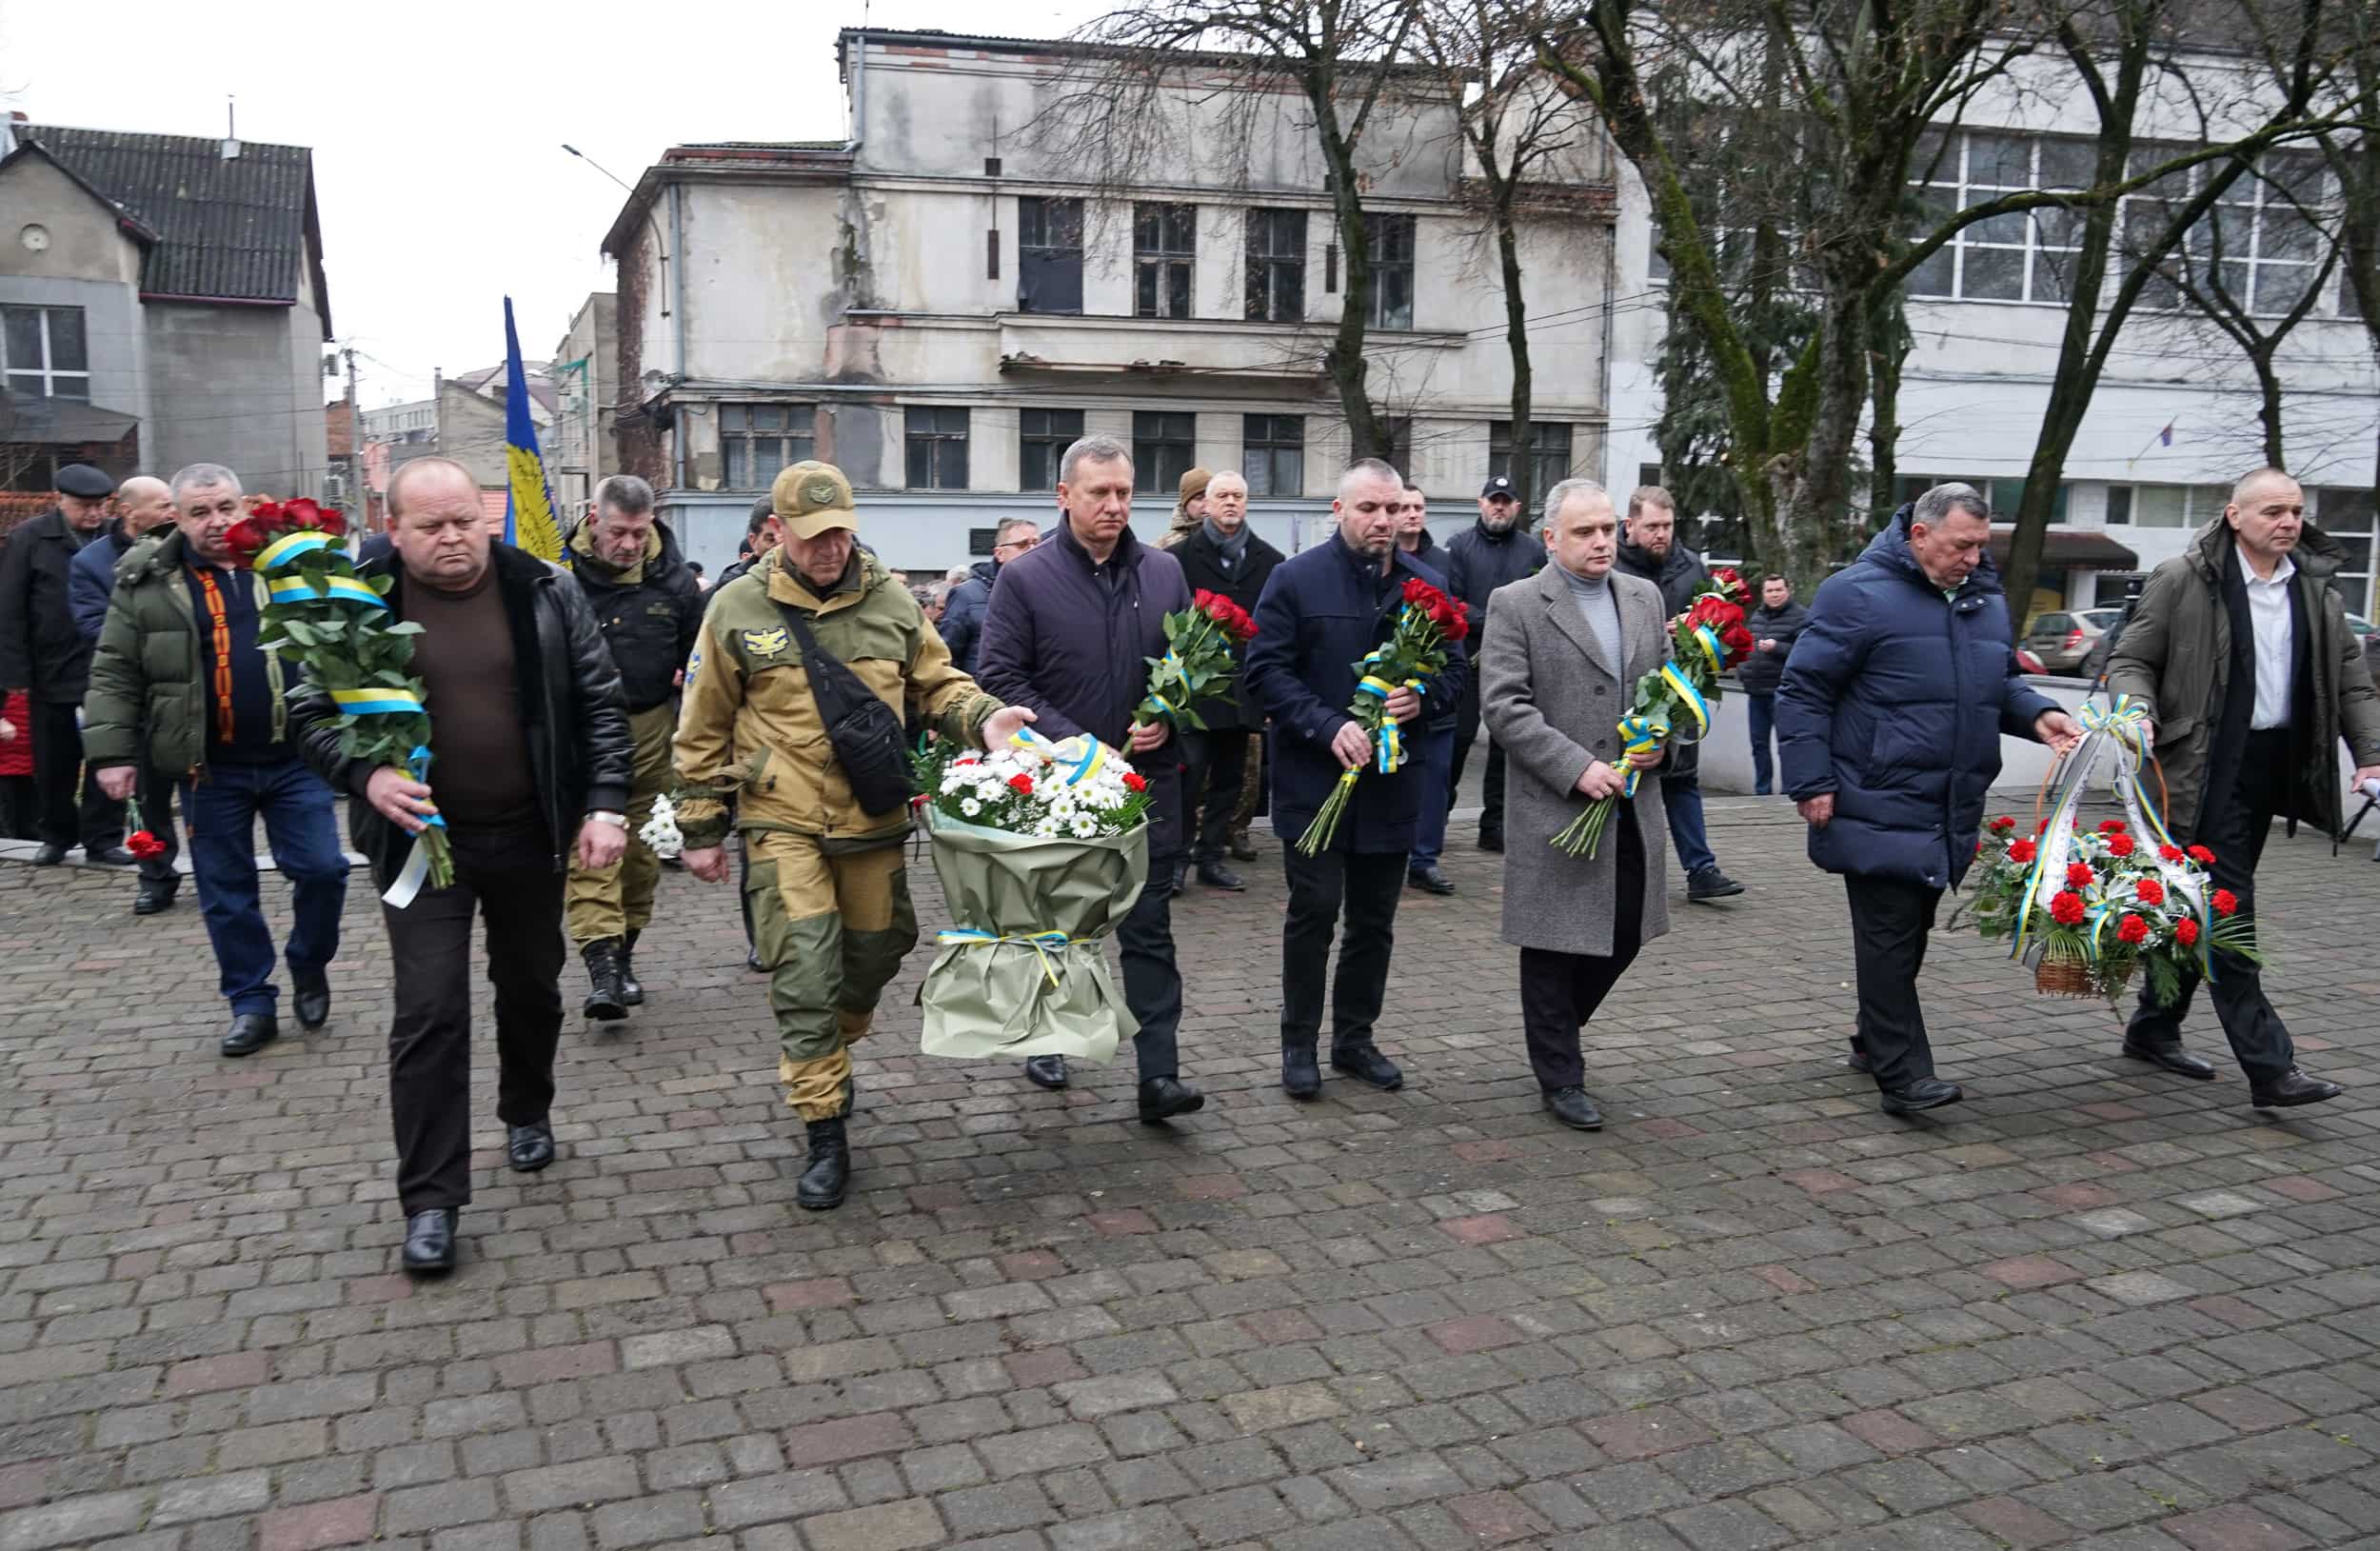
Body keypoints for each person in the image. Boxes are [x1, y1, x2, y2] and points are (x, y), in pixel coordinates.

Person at [289, 456, 632, 1274]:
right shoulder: (351, 601)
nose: (453, 539)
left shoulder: (543, 589)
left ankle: (527, 1106)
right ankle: (432, 1200)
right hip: (422, 844)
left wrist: (606, 804)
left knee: (530, 986)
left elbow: (600, 701)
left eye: (464, 521)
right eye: (431, 526)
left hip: (529, 833)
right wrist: (363, 772)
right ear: (394, 528)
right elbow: (305, 709)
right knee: (430, 1010)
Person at [675, 462, 1035, 1210]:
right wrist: (703, 824)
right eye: (812, 536)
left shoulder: (893, 601)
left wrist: (983, 717)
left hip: (871, 815)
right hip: (784, 819)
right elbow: (703, 724)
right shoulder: (735, 607)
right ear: (777, 532)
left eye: (840, 531)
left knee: (876, 951)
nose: (829, 547)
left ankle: (829, 1047)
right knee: (805, 970)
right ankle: (824, 1124)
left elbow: (938, 684)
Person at [1777, 484, 2079, 1114]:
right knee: (1887, 936)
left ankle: (1871, 1037)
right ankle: (1903, 1075)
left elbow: (1996, 681)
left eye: (1980, 545)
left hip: (1949, 802)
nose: (1972, 557)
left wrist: (2040, 714)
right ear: (1920, 536)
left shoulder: (1983, 599)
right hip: (1874, 794)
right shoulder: (1854, 594)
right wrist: (1811, 781)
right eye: (1961, 545)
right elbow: (1803, 689)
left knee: (1909, 934)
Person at [2106, 467, 2380, 1107]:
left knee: (2198, 906)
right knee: (2228, 913)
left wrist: (2370, 756)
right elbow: (2130, 659)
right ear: (2236, 515)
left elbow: (2350, 679)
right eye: (2273, 511)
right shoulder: (2184, 578)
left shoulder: (2314, 587)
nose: (2287, 522)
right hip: (2199, 766)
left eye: (2295, 511)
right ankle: (2271, 1068)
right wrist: (2137, 709)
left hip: (2271, 767)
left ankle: (2153, 1027)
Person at [84, 462, 351, 1056]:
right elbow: (114, 672)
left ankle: (310, 961)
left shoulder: (288, 562)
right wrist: (111, 753)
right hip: (211, 766)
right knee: (225, 891)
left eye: (226, 508)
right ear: (175, 518)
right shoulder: (150, 581)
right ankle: (251, 1002)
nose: (216, 522)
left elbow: (344, 637)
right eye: (200, 512)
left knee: (323, 869)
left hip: (297, 757)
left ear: (245, 508)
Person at [977, 435, 1207, 1122]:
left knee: (1149, 929)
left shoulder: (1164, 572)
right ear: (1064, 496)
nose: (1114, 506)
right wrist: (1074, 743)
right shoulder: (1026, 578)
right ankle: (1046, 1037)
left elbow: (1188, 665)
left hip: (1146, 787)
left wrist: (1168, 714)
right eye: (1099, 493)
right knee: (1060, 926)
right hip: (1062, 790)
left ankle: (1158, 1074)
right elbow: (998, 679)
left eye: (1124, 493)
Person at [1243, 458, 1456, 1101]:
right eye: (1369, 509)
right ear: (1339, 511)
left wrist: (1425, 698)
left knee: (1374, 920)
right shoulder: (1294, 580)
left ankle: (1354, 1039)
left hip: (1393, 785)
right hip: (1316, 786)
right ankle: (1298, 1042)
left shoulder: (1429, 587)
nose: (1384, 521)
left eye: (1393, 509)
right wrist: (1325, 724)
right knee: (1312, 914)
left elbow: (1457, 677)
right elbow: (1264, 671)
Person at [1480, 480, 1672, 1130]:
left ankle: (1556, 1026)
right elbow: (1505, 706)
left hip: (1633, 802)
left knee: (1624, 929)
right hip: (1557, 805)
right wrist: (1574, 766)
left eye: (1607, 529)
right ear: (1551, 538)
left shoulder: (1644, 596)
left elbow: (1668, 690)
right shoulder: (1516, 604)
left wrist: (1662, 743)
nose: (1601, 541)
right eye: (1585, 531)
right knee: (1553, 939)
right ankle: (1560, 1073)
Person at [563, 476, 704, 1020]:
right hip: (582, 736)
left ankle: (622, 959)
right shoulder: (560, 578)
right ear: (594, 520)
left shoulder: (674, 583)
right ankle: (601, 968)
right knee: (592, 852)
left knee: (641, 859)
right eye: (619, 532)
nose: (629, 545)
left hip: (650, 732)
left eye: (639, 533)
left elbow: (699, 662)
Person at [1615, 486, 1743, 903]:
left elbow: (1713, 624)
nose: (1660, 534)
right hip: (1624, 689)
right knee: (1628, 778)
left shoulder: (1690, 567)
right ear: (1629, 525)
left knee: (1682, 779)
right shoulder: (1609, 564)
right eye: (1651, 526)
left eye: (1667, 526)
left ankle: (1701, 869)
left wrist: (1696, 628)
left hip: (1679, 688)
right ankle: (1619, 870)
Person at [0, 463, 131, 865]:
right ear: (61, 500)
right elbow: (11, 609)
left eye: (99, 506)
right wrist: (15, 675)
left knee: (107, 755)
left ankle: (104, 838)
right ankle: (56, 833)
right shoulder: (30, 539)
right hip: (50, 669)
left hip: (105, 669)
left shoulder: (116, 541)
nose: (93, 514)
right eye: (84, 506)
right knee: (53, 762)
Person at [70, 476, 185, 913]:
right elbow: (93, 628)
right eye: (162, 505)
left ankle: (214, 869)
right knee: (148, 800)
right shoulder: (91, 563)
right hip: (137, 698)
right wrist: (154, 641)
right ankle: (156, 876)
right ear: (129, 511)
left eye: (174, 503)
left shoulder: (184, 551)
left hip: (186, 691)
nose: (171, 512)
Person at [1171, 471, 1282, 892]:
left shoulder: (1270, 561)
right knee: (1189, 775)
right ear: (1206, 504)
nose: (1230, 502)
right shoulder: (1180, 559)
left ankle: (1212, 856)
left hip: (1243, 689)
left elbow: (1276, 629)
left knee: (1230, 780)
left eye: (1238, 495)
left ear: (1247, 503)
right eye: (1222, 496)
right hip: (1195, 690)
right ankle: (1179, 857)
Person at [1444, 473, 1543, 852]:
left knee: (1507, 745)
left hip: (1514, 662)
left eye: (1506, 500)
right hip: (1467, 661)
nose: (1499, 506)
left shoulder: (1533, 551)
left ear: (1517, 507)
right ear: (1480, 504)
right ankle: (1438, 818)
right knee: (1458, 739)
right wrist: (1496, 620)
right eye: (1493, 500)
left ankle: (1495, 826)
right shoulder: (1458, 547)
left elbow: (1539, 600)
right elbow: (1452, 603)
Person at [1397, 482, 1459, 895]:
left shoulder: (1442, 564)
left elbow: (1458, 615)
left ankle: (1425, 859)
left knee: (1436, 780)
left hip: (1433, 691)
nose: (1412, 514)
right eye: (1404, 507)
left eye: (1419, 506)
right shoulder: (1380, 563)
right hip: (1387, 693)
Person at [1738, 573, 1809, 797]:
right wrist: (1743, 670)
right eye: (1770, 590)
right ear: (1764, 594)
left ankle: (1790, 791)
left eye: (1779, 589)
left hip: (1784, 693)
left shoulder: (1801, 617)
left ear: (1788, 591)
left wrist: (1778, 647)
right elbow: (1746, 646)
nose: (1775, 594)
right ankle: (1763, 792)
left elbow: (1806, 652)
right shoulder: (1757, 616)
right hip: (1756, 692)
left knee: (1786, 745)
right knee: (1759, 746)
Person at [939, 517, 1040, 676]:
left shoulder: (1048, 592)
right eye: (1022, 545)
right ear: (999, 553)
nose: (1033, 549)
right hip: (983, 694)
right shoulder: (966, 595)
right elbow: (947, 658)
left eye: (1037, 543)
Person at [717, 497, 783, 589]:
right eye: (771, 540)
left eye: (786, 539)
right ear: (754, 542)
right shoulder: (734, 587)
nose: (780, 547)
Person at [1157, 466, 1212, 550]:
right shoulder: (1165, 546)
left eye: (1211, 497)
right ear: (1185, 504)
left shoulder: (1229, 539)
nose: (1207, 504)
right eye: (1199, 498)